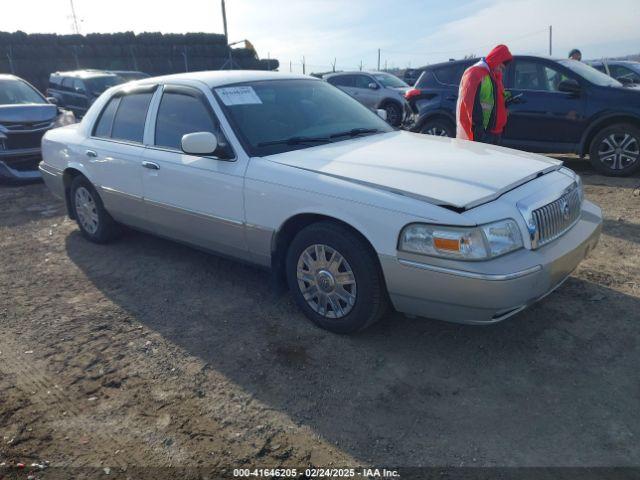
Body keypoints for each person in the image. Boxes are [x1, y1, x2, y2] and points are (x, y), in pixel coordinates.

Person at [456, 44, 513, 145]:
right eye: (499, 66)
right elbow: (470, 102)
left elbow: (496, 96)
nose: (500, 70)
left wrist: (506, 102)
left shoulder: (494, 75)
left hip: (495, 132)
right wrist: (479, 128)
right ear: (495, 59)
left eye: (502, 68)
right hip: (483, 133)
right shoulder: (475, 73)